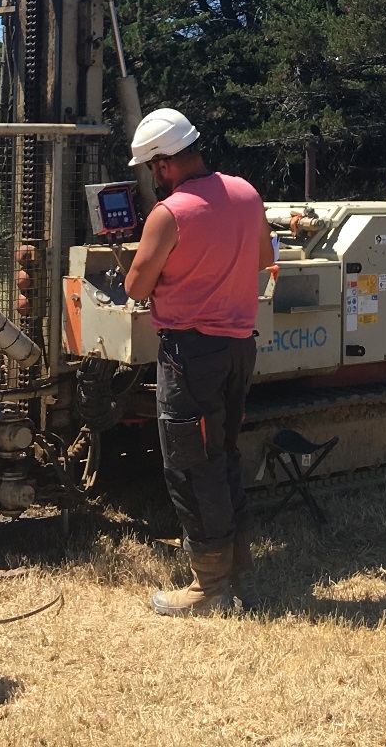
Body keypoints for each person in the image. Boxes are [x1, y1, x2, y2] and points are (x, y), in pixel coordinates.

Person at [122, 108, 274, 616]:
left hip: (190, 355)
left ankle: (208, 586)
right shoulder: (247, 194)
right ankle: (237, 568)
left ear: (163, 164)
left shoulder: (169, 214)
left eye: (150, 168)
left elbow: (136, 286)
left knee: (190, 464)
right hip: (238, 348)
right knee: (224, 455)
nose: (153, 177)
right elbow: (260, 260)